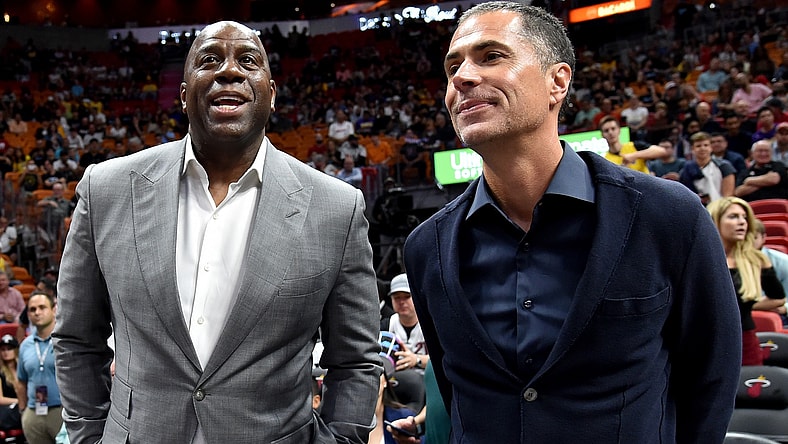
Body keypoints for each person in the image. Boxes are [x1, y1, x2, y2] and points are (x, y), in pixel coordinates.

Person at [402, 2, 741, 442]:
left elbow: (711, 378)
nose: (462, 77)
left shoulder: (668, 215)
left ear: (557, 82)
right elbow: (456, 394)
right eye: (453, 67)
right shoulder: (425, 247)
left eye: (491, 56)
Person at [53, 21, 381, 444]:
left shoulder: (336, 207)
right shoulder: (107, 189)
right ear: (184, 95)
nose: (229, 71)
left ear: (271, 94)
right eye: (210, 60)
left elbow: (355, 361)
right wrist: (89, 437)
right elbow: (77, 339)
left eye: (248, 60)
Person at [707, 198, 785, 365]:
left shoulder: (756, 260)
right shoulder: (700, 259)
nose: (742, 222)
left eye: (744, 217)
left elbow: (778, 298)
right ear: (714, 220)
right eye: (733, 216)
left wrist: (747, 304)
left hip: (744, 340)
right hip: (704, 339)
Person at [18, 292, 62, 444]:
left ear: (54, 309)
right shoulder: (25, 345)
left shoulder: (64, 341)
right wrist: (23, 411)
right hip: (34, 412)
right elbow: (21, 381)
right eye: (32, 309)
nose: (37, 312)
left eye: (42, 307)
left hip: (62, 411)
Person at [679, 131, 736, 205]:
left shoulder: (724, 166)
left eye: (706, 145)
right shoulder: (687, 169)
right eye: (698, 146)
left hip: (721, 207)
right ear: (692, 149)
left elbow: (728, 196)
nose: (702, 148)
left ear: (711, 148)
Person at [598, 116, 666, 174]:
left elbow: (661, 151)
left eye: (613, 129)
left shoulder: (634, 146)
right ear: (602, 135)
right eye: (606, 130)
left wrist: (634, 156)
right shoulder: (606, 160)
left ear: (619, 130)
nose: (610, 132)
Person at [0, 333, 20, 433]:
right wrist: (19, 401)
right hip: (7, 410)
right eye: (3, 349)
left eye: (9, 349)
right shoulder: (0, 372)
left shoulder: (23, 369)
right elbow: (0, 399)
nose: (6, 352)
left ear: (15, 350)